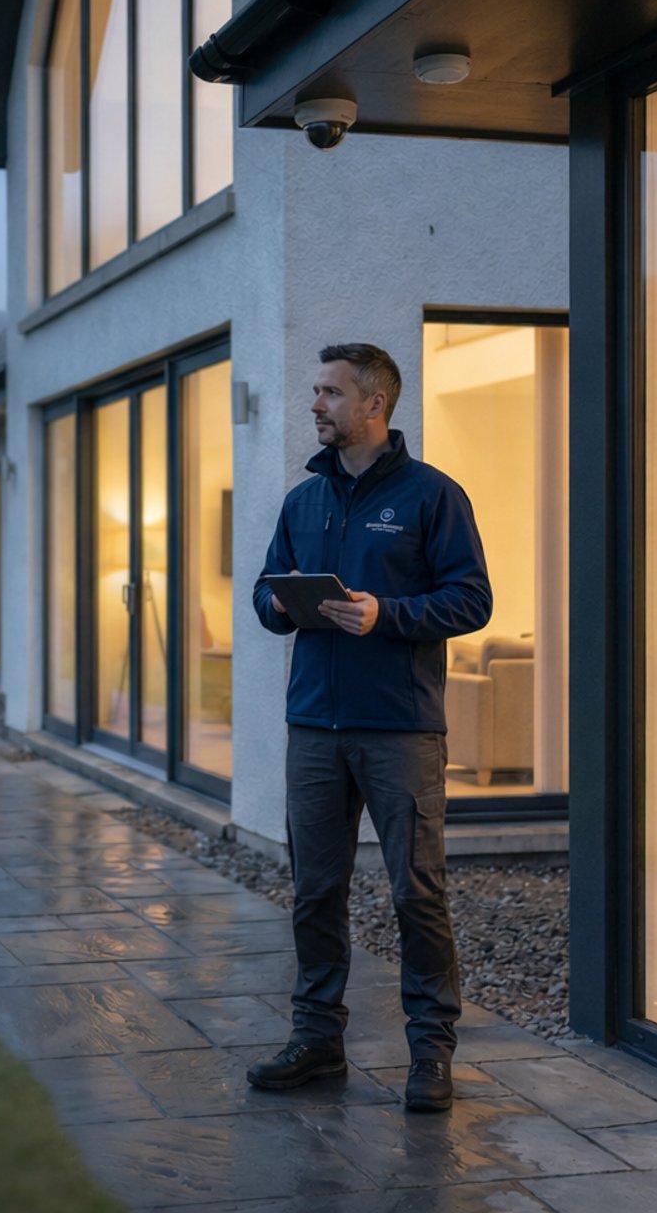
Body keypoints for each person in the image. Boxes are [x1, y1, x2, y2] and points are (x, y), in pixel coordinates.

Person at [246, 342, 491, 1112]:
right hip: (314, 728)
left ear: (374, 404)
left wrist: (387, 614)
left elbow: (472, 600)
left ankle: (431, 1053)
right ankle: (318, 1040)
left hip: (399, 730)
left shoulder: (432, 496)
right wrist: (277, 603)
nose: (315, 404)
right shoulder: (303, 502)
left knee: (417, 893)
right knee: (315, 892)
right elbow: (264, 592)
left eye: (329, 392)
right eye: (316, 390)